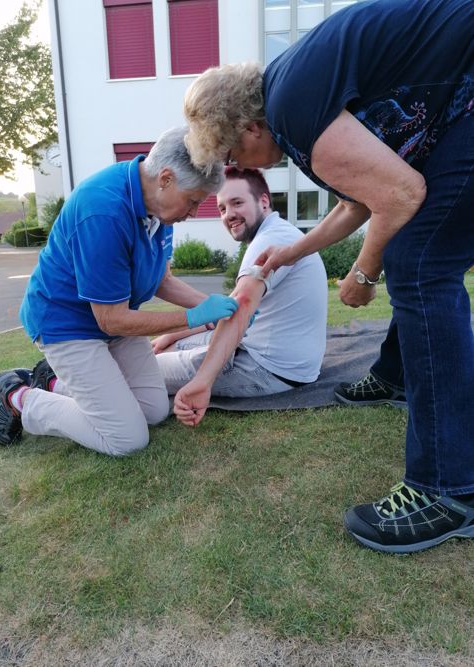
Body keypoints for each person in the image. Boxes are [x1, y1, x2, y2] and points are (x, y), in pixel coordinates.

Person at [182, 0, 474, 553]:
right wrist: (290, 255)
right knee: (417, 256)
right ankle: (397, 376)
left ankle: (448, 487)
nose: (246, 166)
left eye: (231, 152)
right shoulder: (295, 89)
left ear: (249, 126)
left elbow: (400, 195)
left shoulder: (294, 108)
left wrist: (363, 274)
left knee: (419, 264)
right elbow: (356, 203)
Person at [0, 127, 239, 457]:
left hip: (114, 320)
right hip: (67, 326)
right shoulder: (103, 211)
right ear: (165, 178)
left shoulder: (159, 211)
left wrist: (223, 305)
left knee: (153, 411)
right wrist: (193, 317)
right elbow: (111, 320)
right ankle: (19, 398)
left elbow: (162, 281)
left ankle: (53, 383)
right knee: (127, 439)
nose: (193, 213)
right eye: (193, 201)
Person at [153, 167, 327, 408]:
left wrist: (203, 380)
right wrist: (173, 335)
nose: (229, 215)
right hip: (266, 351)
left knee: (144, 371)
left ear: (263, 201)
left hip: (268, 369)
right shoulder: (277, 232)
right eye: (222, 208)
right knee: (164, 349)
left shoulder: (270, 240)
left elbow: (241, 309)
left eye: (237, 203)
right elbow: (231, 307)